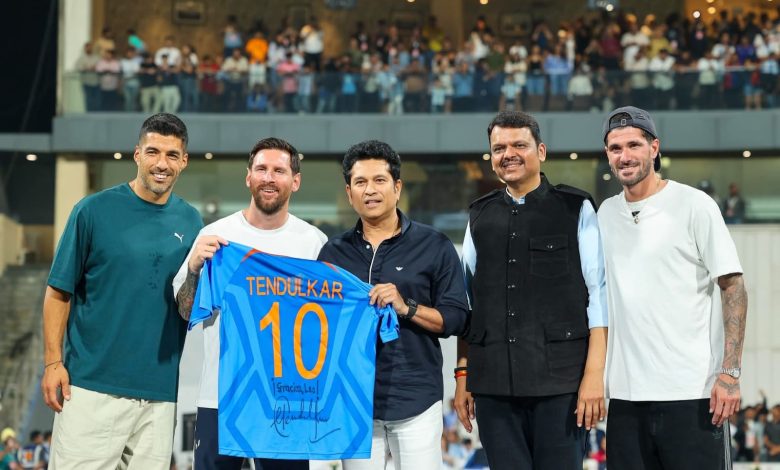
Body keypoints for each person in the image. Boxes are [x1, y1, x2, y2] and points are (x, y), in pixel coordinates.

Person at [41, 113, 202, 470]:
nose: (162, 164)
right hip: (91, 389)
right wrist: (53, 362)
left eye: (172, 155)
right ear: (137, 154)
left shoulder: (192, 222)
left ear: (184, 161)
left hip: (160, 396)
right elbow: (58, 292)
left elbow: (189, 304)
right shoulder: (92, 211)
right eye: (153, 152)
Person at [454, 111, 608, 470]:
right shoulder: (478, 215)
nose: (508, 154)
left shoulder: (576, 208)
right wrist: (463, 375)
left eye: (519, 145)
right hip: (493, 387)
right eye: (499, 148)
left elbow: (598, 294)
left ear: (541, 151)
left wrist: (594, 375)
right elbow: (468, 304)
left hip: (561, 386)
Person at [599, 106, 747, 469]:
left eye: (634, 145)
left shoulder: (694, 205)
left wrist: (730, 374)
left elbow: (733, 286)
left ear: (654, 148)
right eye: (615, 148)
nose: (624, 156)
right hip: (625, 398)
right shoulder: (604, 214)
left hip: (692, 394)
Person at [173, 137, 325, 470]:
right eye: (261, 169)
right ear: (248, 177)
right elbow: (185, 311)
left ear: (295, 181)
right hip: (220, 396)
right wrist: (195, 268)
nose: (269, 178)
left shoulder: (314, 243)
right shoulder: (216, 236)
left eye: (279, 171)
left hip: (286, 399)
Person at [317, 140, 469, 470]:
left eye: (379, 180)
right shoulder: (332, 254)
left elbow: (457, 319)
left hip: (417, 401)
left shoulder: (434, 245)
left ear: (397, 188)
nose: (370, 190)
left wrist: (406, 307)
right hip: (354, 403)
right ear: (349, 193)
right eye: (360, 182)